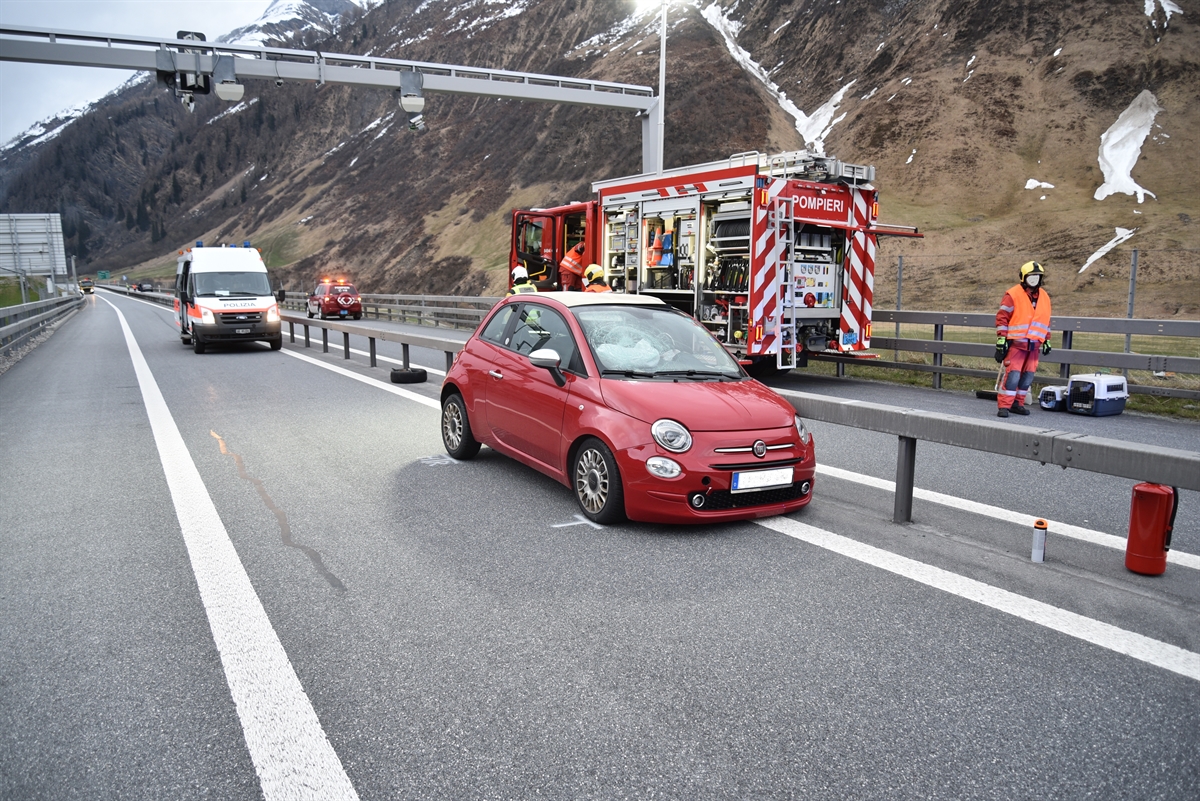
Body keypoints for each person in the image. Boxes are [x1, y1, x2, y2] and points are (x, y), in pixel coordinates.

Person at [994, 261, 1052, 418]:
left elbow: (1045, 320)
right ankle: (1004, 406)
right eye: (1031, 277)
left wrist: (1046, 339)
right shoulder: (1012, 295)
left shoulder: (1045, 297)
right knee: (1013, 375)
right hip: (1017, 344)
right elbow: (1002, 318)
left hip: (1034, 345)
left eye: (1037, 277)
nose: (1034, 280)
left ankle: (1017, 403)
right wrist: (1001, 340)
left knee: (1027, 377)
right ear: (1023, 278)